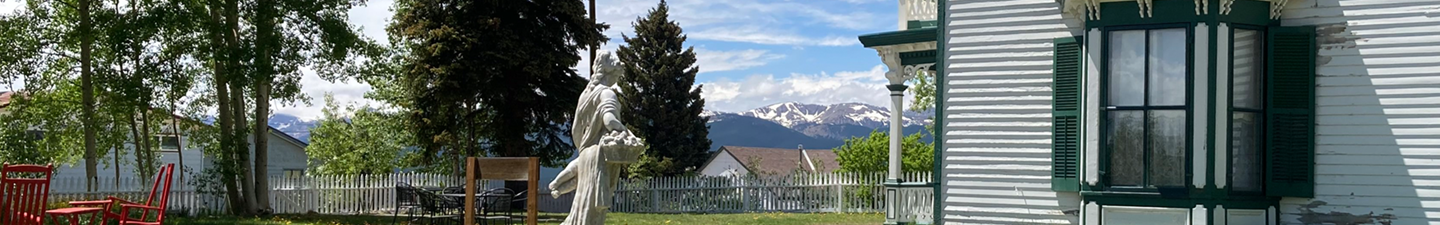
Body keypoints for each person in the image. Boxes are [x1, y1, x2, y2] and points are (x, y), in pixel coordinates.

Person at [548, 53, 645, 225]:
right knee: (593, 210)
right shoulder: (607, 93)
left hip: (586, 154)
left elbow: (576, 130)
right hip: (600, 155)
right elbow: (609, 120)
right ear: (612, 73)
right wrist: (625, 131)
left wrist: (584, 148)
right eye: (617, 75)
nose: (617, 79)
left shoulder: (585, 95)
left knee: (581, 204)